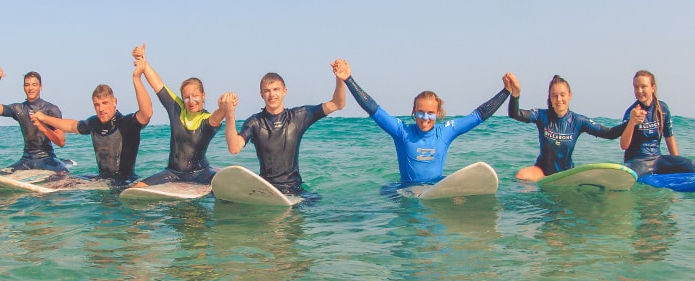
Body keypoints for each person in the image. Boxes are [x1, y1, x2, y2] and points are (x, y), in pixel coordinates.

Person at [338, 59, 513, 186]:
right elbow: (373, 108)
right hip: (407, 189)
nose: (425, 118)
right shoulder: (402, 132)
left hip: (436, 187)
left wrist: (506, 92)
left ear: (438, 114)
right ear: (414, 112)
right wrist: (348, 80)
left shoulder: (445, 132)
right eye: (420, 112)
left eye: (430, 113)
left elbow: (478, 115)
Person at [219, 60, 347, 196]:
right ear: (261, 94)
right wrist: (230, 113)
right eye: (267, 91)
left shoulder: (298, 117)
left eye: (276, 89)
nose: (272, 94)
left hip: (294, 189)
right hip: (267, 189)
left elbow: (338, 104)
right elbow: (234, 148)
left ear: (284, 91)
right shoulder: (254, 122)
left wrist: (340, 79)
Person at [31, 48, 152, 187]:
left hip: (124, 181)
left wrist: (136, 78)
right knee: (56, 180)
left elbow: (147, 113)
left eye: (105, 103)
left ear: (115, 102)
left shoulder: (127, 124)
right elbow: (71, 126)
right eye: (97, 105)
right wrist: (45, 119)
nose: (101, 109)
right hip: (102, 179)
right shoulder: (94, 123)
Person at [128, 44, 229, 188]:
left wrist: (224, 108)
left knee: (219, 193)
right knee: (135, 189)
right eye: (186, 97)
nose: (191, 101)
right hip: (173, 172)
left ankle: (216, 175)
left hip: (200, 174)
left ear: (203, 95)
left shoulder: (206, 119)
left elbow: (217, 117)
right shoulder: (177, 109)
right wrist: (144, 64)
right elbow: (158, 84)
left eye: (195, 96)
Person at [509, 74, 627, 181]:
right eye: (554, 96)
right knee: (521, 176)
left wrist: (631, 122)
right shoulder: (541, 116)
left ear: (569, 95)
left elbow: (610, 134)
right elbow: (515, 114)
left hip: (566, 174)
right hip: (542, 172)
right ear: (550, 98)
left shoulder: (578, 121)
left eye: (562, 95)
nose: (559, 99)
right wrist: (515, 94)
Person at [620, 70, 695, 176]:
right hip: (637, 161)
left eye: (643, 86)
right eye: (636, 87)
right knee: (629, 175)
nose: (639, 90)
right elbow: (624, 145)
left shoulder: (662, 109)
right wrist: (632, 122)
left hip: (657, 160)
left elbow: (669, 138)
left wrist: (676, 163)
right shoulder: (631, 112)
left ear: (653, 88)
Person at [0, 68, 69, 174]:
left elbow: (61, 142)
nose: (30, 88)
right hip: (27, 160)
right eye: (27, 85)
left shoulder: (51, 109)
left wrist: (42, 127)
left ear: (40, 87)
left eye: (34, 84)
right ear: (24, 87)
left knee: (64, 174)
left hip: (47, 158)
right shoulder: (18, 109)